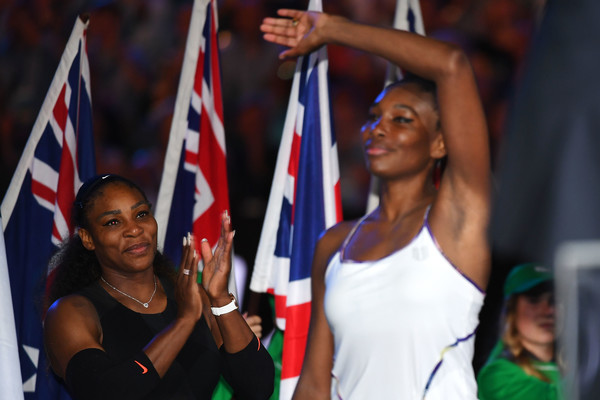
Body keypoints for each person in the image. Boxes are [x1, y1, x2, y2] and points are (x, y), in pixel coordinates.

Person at [260, 9, 491, 399]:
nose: (378, 127)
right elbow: (316, 384)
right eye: (374, 116)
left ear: (439, 142)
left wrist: (334, 30)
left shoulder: (459, 222)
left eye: (402, 119)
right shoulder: (335, 244)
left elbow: (453, 65)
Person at [43, 174, 274, 400]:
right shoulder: (70, 312)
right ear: (88, 238)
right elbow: (104, 392)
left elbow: (259, 387)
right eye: (113, 222)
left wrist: (221, 299)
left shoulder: (194, 296)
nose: (134, 229)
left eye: (141, 214)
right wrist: (182, 323)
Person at [477, 263, 562, 399]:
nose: (549, 310)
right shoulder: (496, 376)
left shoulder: (578, 363)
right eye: (534, 300)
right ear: (512, 311)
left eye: (555, 300)